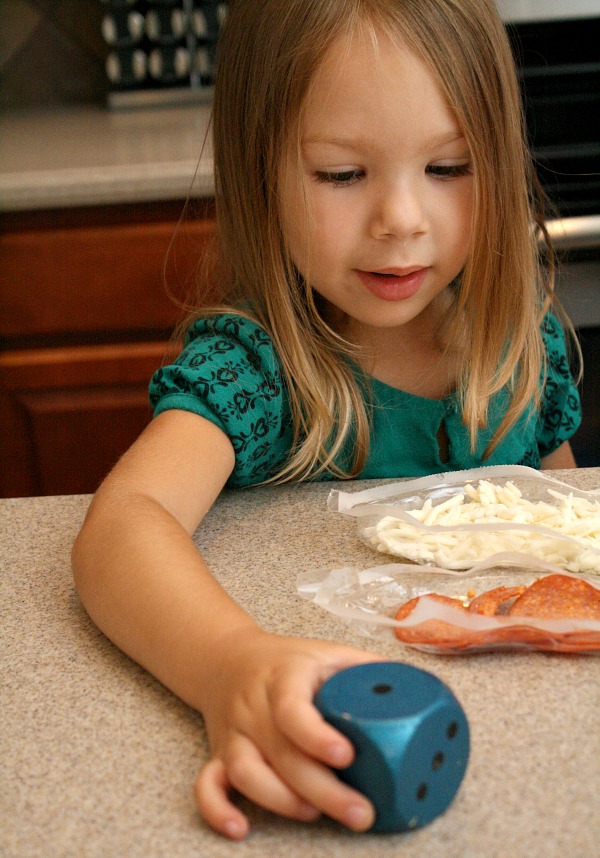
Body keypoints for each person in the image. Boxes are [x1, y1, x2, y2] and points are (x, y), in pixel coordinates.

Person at [72, 0, 582, 841]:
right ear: (257, 170)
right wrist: (227, 663)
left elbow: (564, 539)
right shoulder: (256, 374)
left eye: (450, 166)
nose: (403, 220)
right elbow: (125, 523)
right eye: (342, 175)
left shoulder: (526, 354)